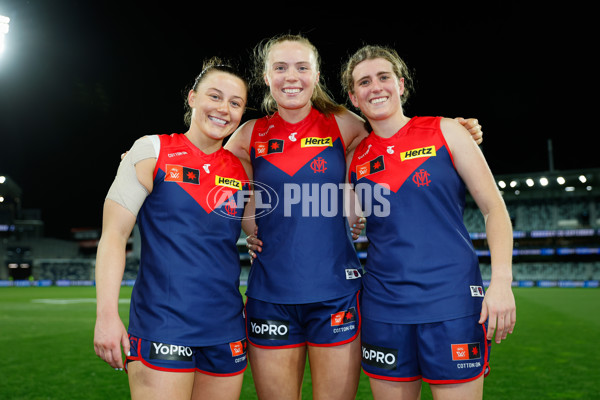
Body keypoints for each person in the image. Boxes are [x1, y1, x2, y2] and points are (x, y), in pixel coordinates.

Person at [228, 34, 484, 400]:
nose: (291, 76)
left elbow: (394, 138)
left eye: (302, 67)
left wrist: (455, 131)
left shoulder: (343, 123)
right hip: (271, 293)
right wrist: (249, 223)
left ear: (316, 75)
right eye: (280, 68)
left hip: (337, 293)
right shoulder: (249, 134)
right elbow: (210, 166)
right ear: (266, 77)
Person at [342, 45, 516, 400]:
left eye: (384, 77)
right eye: (364, 82)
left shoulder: (448, 132)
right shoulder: (354, 158)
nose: (375, 87)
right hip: (383, 308)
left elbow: (494, 210)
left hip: (451, 302)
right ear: (354, 98)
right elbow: (345, 221)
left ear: (401, 85)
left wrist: (501, 283)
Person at [93, 58, 252, 400]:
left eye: (235, 103)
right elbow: (113, 237)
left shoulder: (242, 170)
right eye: (215, 96)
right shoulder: (151, 150)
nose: (224, 109)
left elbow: (265, 231)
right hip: (162, 324)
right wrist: (106, 316)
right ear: (192, 98)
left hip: (227, 328)